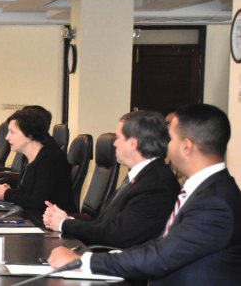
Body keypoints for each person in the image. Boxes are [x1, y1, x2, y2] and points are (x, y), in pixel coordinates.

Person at [48, 104, 241, 284]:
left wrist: (83, 261)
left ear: (186, 146)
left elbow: (161, 257)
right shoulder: (206, 191)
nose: (166, 146)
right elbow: (159, 245)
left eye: (171, 139)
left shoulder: (215, 203)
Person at [42, 110, 180, 248]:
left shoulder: (156, 185)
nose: (114, 144)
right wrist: (66, 220)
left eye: (119, 138)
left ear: (133, 143)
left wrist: (64, 224)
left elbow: (117, 235)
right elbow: (105, 224)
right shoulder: (142, 176)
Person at [0, 109, 75, 214]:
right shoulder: (29, 156)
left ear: (29, 135)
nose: (7, 137)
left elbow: (39, 202)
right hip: (32, 215)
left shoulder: (50, 159)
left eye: (12, 132)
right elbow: (28, 193)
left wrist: (6, 194)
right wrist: (9, 190)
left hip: (50, 222)